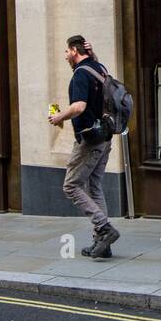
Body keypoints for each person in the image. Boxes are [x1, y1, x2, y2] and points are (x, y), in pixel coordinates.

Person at [49, 35, 121, 258]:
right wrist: (93, 52)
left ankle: (105, 229)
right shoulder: (99, 67)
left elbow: (79, 107)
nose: (64, 56)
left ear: (74, 51)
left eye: (66, 51)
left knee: (70, 186)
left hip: (90, 138)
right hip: (105, 135)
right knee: (94, 185)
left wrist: (59, 116)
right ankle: (103, 244)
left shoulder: (80, 73)